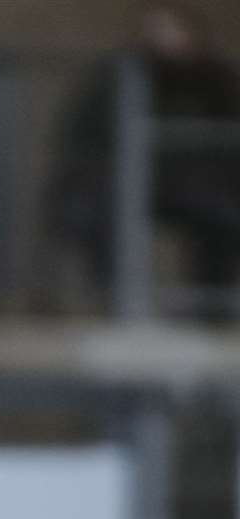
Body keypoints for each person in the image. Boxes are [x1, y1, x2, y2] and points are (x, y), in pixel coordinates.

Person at [51, 2, 240, 322]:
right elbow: (82, 137)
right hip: (121, 183)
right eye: (156, 32)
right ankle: (114, 300)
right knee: (96, 214)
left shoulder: (214, 79)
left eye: (174, 31)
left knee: (221, 218)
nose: (165, 42)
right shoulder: (118, 77)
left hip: (194, 186)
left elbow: (226, 133)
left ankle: (211, 309)